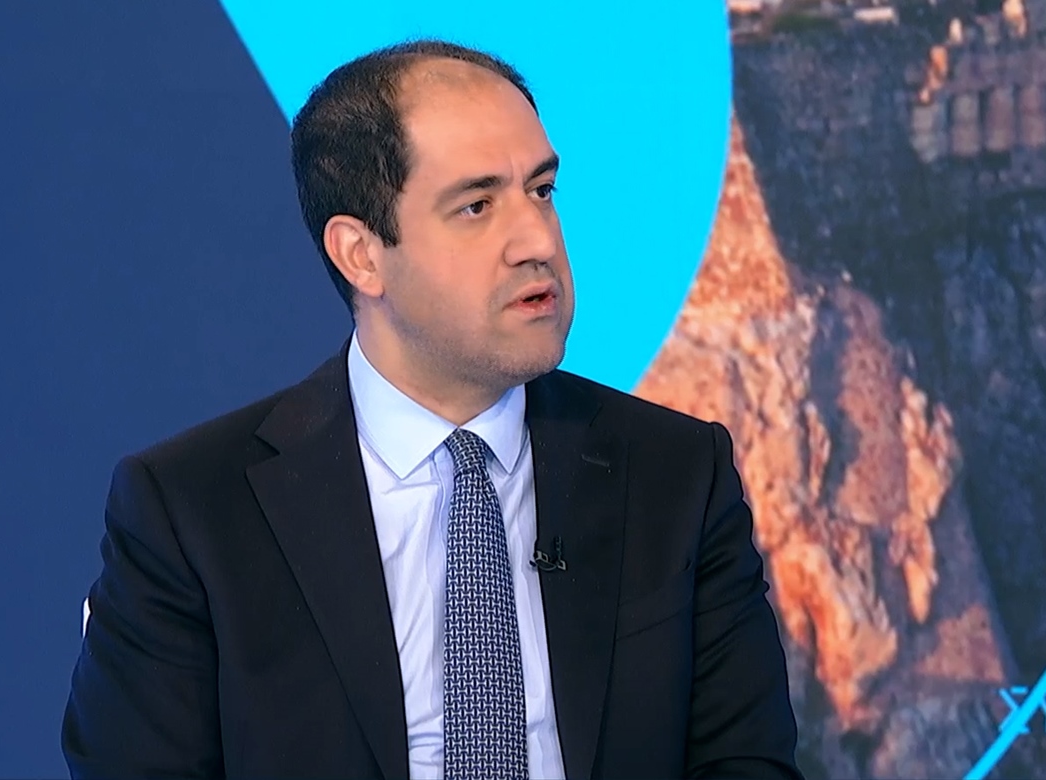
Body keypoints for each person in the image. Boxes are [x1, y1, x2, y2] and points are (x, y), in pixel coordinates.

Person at [61, 39, 802, 780]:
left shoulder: (678, 474)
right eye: (476, 206)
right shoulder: (191, 513)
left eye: (542, 190)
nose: (537, 240)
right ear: (361, 255)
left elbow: (747, 763)